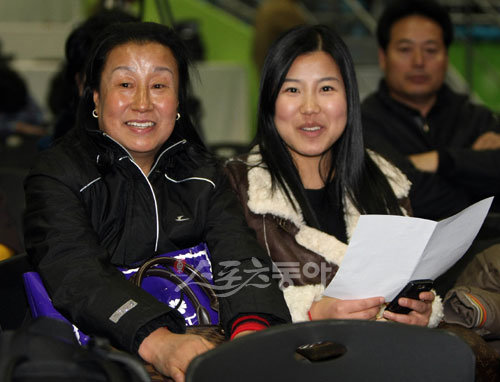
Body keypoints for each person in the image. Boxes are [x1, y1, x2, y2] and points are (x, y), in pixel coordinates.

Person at [23, 22, 290, 381]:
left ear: (178, 101)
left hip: (200, 342)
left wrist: (250, 335)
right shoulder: (57, 174)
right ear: (96, 98)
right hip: (93, 358)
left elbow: (239, 255)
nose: (143, 103)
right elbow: (76, 273)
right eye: (125, 84)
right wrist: (159, 341)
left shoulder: (204, 174)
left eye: (160, 85)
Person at [225, 24, 442, 328]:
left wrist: (419, 311)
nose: (310, 108)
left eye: (326, 88)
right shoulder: (237, 187)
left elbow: (409, 282)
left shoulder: (384, 180)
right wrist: (311, 312)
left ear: (349, 98)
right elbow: (223, 291)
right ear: (270, 101)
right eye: (292, 90)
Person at [361, 0, 500, 223]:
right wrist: (475, 172)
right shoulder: (361, 125)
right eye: (405, 49)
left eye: (431, 49)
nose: (418, 61)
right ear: (383, 58)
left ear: (446, 56)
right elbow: (405, 194)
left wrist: (440, 160)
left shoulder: (478, 118)